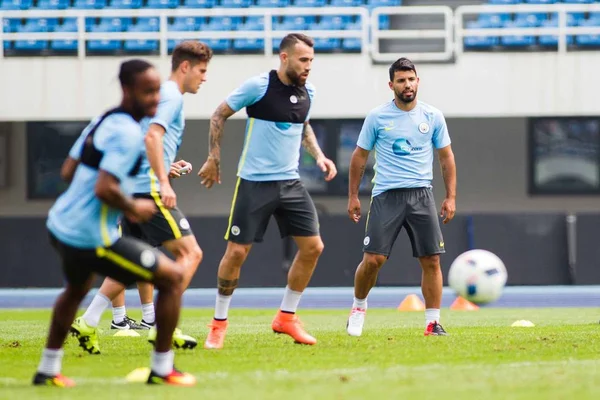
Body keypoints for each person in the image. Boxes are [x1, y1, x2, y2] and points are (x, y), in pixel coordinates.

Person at [33, 59, 195, 387]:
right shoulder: (129, 133)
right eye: (147, 92)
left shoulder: (103, 120)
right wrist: (132, 204)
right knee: (173, 277)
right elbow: (105, 187)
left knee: (76, 289)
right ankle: (163, 368)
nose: (154, 100)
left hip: (61, 224)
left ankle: (48, 369)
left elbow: (68, 170)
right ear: (126, 90)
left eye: (157, 93)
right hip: (90, 236)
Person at [70, 40, 212, 354]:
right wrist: (163, 180)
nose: (205, 78)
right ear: (185, 67)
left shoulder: (164, 95)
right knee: (192, 254)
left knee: (129, 267)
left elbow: (148, 141)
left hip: (135, 187)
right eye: (202, 71)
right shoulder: (172, 96)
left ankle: (88, 321)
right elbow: (153, 135)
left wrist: (165, 166)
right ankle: (163, 325)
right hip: (148, 190)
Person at [198, 33, 337, 349]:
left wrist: (320, 157)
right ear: (284, 57)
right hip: (254, 183)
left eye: (311, 61)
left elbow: (304, 126)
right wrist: (213, 157)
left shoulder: (308, 91)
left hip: (291, 184)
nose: (308, 67)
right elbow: (219, 113)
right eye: (303, 60)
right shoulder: (258, 86)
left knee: (313, 247)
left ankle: (286, 317)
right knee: (236, 253)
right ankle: (218, 323)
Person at [345, 57, 457, 337]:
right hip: (387, 196)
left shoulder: (433, 117)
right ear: (391, 85)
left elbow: (446, 158)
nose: (407, 85)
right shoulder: (377, 117)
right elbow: (359, 157)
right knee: (373, 261)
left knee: (432, 260)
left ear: (418, 81)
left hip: (422, 195)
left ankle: (432, 323)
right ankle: (358, 308)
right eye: (401, 80)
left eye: (411, 79)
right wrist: (353, 196)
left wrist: (451, 196)